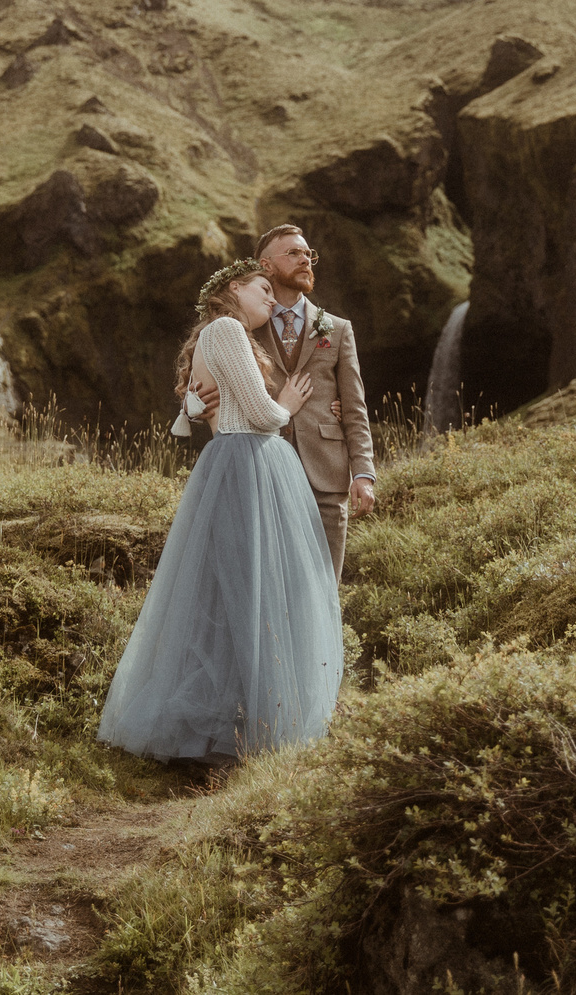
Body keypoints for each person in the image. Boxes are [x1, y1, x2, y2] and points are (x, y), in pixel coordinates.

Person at [99, 259, 344, 771]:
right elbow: (260, 415)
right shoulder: (228, 327)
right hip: (248, 460)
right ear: (235, 288)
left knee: (227, 590)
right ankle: (250, 728)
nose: (271, 301)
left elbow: (188, 423)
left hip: (233, 461)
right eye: (262, 289)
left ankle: (226, 722)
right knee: (257, 588)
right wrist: (289, 405)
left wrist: (193, 405)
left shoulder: (217, 335)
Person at [177, 225, 376, 573]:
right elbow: (208, 370)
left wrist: (363, 474)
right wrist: (193, 403)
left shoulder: (338, 328)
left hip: (326, 477)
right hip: (262, 474)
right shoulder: (243, 325)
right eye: (294, 253)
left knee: (324, 589)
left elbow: (355, 408)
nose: (306, 260)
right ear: (265, 266)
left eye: (308, 254)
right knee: (272, 585)